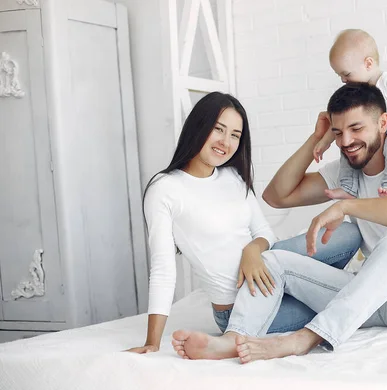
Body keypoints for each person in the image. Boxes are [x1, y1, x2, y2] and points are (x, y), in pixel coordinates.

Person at [172, 83, 387, 363]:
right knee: (274, 260)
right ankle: (233, 339)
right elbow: (277, 195)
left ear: (383, 122)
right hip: (373, 300)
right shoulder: (347, 171)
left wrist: (347, 205)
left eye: (356, 128)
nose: (346, 142)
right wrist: (316, 138)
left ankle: (304, 339)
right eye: (338, 132)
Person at [126, 92, 361, 355]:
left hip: (271, 270)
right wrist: (152, 343)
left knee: (349, 233)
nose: (225, 142)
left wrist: (251, 251)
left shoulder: (234, 177)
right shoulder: (165, 189)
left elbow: (264, 235)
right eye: (218, 129)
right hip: (239, 305)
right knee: (341, 299)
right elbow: (163, 269)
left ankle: (318, 284)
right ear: (198, 126)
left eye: (235, 135)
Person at [313, 29, 387, 199]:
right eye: (339, 75)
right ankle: (348, 187)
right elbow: (342, 126)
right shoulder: (358, 91)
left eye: (346, 74)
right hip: (379, 131)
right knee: (347, 144)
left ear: (368, 64)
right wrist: (324, 141)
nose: (343, 80)